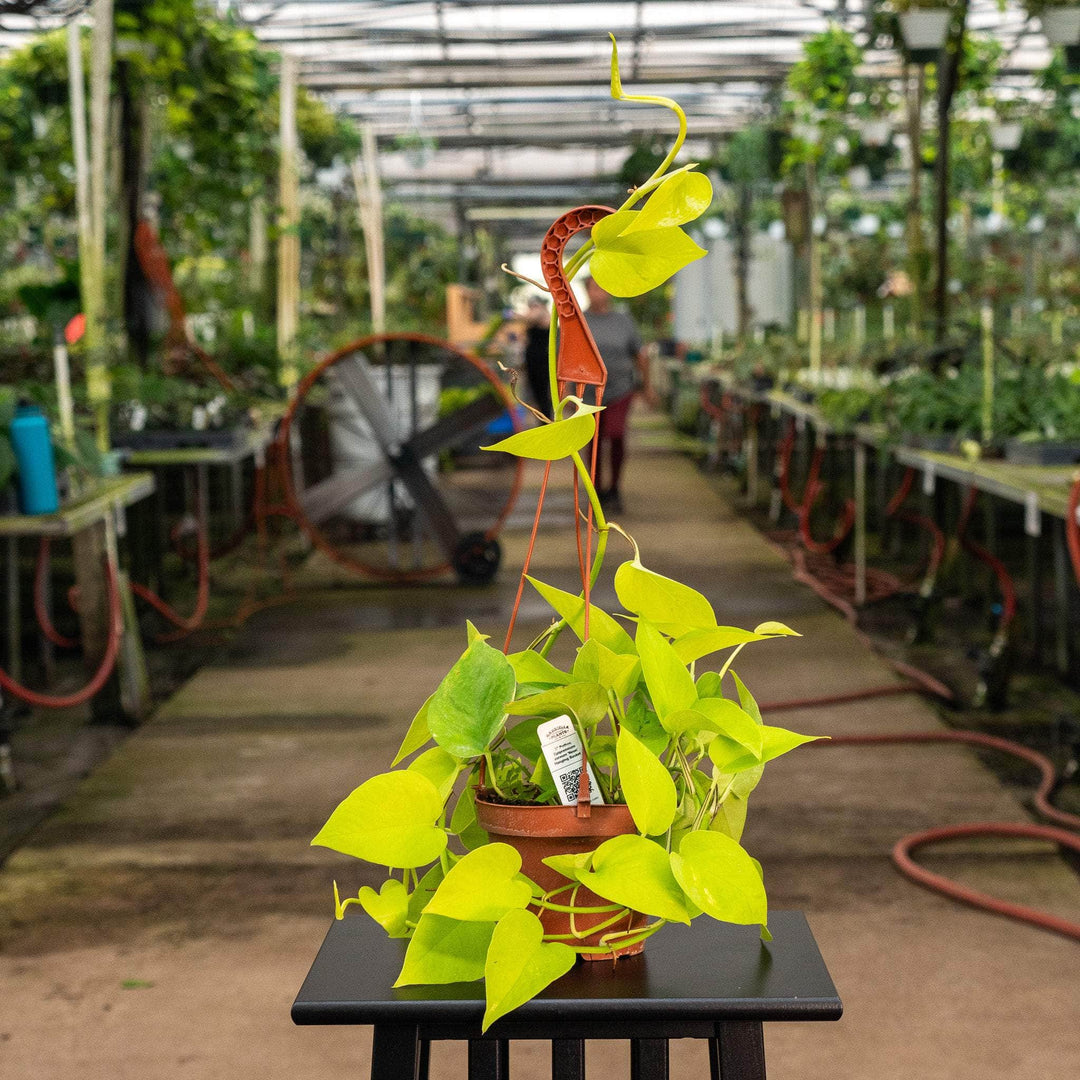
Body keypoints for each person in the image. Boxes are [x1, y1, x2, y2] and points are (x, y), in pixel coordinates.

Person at [582, 276, 652, 513]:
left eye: (602, 287)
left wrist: (647, 386)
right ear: (587, 291)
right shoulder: (579, 320)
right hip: (589, 392)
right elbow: (565, 355)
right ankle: (596, 490)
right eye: (594, 288)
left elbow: (639, 354)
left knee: (616, 434)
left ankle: (614, 488)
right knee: (592, 440)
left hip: (620, 388)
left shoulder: (623, 321)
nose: (599, 293)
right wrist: (567, 391)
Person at [522, 295, 553, 419]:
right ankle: (543, 418)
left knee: (544, 392)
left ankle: (547, 418)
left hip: (542, 359)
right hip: (533, 359)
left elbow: (532, 317)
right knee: (536, 393)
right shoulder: (533, 317)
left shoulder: (542, 314)